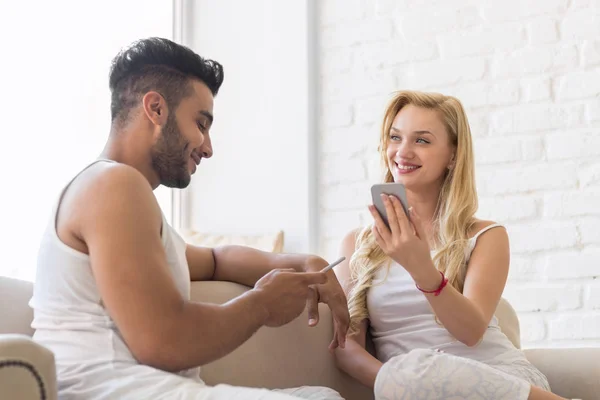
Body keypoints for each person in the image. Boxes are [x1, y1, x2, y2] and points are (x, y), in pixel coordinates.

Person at [29, 37, 348, 400]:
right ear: (156, 108)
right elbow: (163, 341)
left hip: (142, 388)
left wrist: (304, 263)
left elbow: (215, 260)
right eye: (201, 123)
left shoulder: (117, 192)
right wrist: (262, 304)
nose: (208, 147)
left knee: (321, 396)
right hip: (108, 390)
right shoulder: (113, 185)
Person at [333, 90, 568, 400]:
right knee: (424, 368)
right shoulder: (358, 244)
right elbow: (346, 346)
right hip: (416, 387)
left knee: (434, 368)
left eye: (422, 141)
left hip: (496, 375)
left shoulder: (485, 236)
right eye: (395, 137)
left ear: (453, 156)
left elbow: (470, 333)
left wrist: (421, 268)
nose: (402, 152)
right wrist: (404, 383)